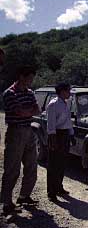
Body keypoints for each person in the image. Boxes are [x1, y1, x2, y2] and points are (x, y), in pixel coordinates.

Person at [1, 66, 40, 216]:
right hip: (15, 132)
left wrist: (27, 112)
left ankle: (24, 196)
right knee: (12, 169)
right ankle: (6, 203)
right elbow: (20, 112)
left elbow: (36, 110)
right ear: (21, 77)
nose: (31, 81)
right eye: (29, 77)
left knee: (32, 165)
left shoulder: (29, 92)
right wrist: (28, 111)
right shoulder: (9, 93)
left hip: (28, 130)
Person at [46, 83, 75, 202]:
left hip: (65, 134)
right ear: (62, 91)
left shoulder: (67, 103)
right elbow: (51, 124)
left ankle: (59, 187)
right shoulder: (53, 104)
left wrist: (71, 134)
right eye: (68, 90)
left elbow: (68, 121)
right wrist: (53, 140)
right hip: (55, 135)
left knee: (62, 163)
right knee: (53, 164)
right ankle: (51, 192)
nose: (69, 93)